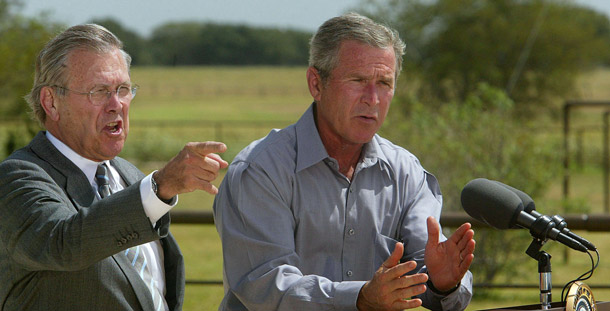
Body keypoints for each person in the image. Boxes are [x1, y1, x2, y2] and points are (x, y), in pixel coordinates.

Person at [213, 12, 475, 311]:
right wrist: (360, 297)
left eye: (384, 83)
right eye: (359, 80)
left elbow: (427, 277)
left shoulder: (406, 172)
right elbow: (265, 286)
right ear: (316, 84)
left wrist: (443, 284)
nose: (373, 98)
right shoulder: (261, 170)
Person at [0, 24, 228, 311]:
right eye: (99, 91)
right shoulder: (17, 177)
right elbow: (64, 241)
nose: (116, 104)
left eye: (123, 89)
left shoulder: (128, 175)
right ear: (51, 102)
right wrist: (160, 187)